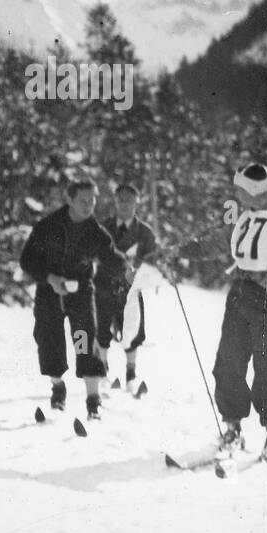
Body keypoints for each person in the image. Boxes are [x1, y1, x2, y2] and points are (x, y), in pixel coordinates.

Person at [19, 178, 131, 420]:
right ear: (69, 199)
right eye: (83, 201)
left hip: (80, 293)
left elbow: (111, 257)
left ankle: (93, 400)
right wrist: (48, 278)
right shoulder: (47, 226)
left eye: (92, 201)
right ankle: (58, 388)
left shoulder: (95, 232)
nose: (89, 206)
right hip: (49, 293)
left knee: (84, 341)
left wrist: (129, 268)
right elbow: (27, 260)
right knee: (50, 342)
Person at [210, 162, 267, 461]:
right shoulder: (242, 217)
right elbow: (215, 240)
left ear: (252, 190)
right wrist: (176, 253)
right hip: (240, 294)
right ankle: (233, 428)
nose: (236, 195)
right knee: (229, 361)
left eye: (240, 191)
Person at [96, 183, 158, 392]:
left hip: (131, 289)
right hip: (104, 285)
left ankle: (131, 375)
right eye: (121, 200)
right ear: (115, 202)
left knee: (133, 331)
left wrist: (139, 271)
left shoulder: (144, 233)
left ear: (136, 203)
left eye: (129, 201)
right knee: (101, 328)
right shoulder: (103, 227)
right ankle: (102, 372)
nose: (124, 205)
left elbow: (153, 261)